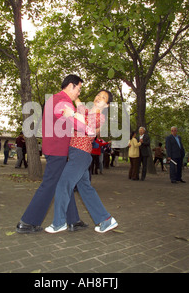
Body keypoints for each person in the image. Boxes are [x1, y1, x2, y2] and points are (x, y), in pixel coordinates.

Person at [16, 74, 88, 234]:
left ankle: (73, 220)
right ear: (71, 85)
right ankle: (27, 222)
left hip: (56, 149)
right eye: (79, 88)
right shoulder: (61, 101)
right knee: (49, 185)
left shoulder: (58, 99)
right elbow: (77, 123)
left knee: (64, 184)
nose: (79, 92)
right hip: (57, 151)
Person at [45, 90, 117, 234]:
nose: (98, 98)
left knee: (63, 184)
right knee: (86, 189)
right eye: (98, 95)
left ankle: (59, 223)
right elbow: (77, 102)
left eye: (103, 98)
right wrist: (73, 93)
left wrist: (71, 114)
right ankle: (106, 220)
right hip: (76, 154)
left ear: (107, 105)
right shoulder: (87, 111)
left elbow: (85, 122)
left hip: (80, 154)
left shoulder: (99, 117)